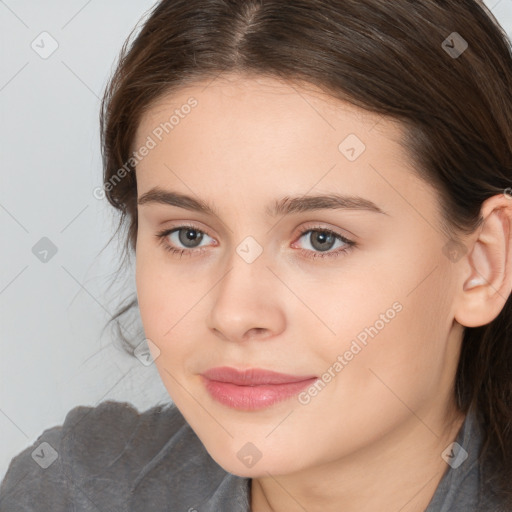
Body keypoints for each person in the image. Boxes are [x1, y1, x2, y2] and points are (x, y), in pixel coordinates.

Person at [1, 0, 512, 510]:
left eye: (320, 239)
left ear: (481, 265)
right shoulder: (70, 492)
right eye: (188, 236)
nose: (234, 314)